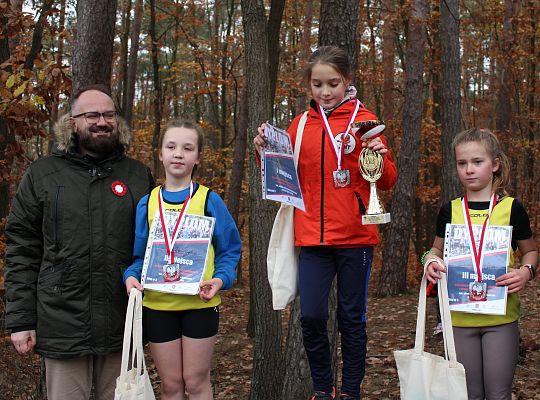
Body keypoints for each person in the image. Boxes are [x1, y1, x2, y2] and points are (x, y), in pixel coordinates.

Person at [254, 46, 398, 400]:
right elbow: (284, 178)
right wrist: (265, 153)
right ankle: (322, 388)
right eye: (318, 84)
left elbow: (388, 179)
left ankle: (350, 391)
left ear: (347, 80)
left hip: (355, 236)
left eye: (333, 83)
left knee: (351, 318)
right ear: (309, 85)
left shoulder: (366, 120)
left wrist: (381, 157)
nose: (325, 91)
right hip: (312, 238)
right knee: (312, 316)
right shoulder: (300, 125)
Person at [5, 84, 155, 400]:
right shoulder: (43, 174)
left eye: (109, 114)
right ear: (73, 122)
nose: (102, 121)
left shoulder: (138, 176)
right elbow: (22, 248)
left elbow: (155, 247)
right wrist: (20, 320)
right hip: (62, 321)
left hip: (122, 323)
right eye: (92, 115)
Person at [123, 119, 241, 400]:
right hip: (158, 305)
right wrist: (131, 276)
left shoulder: (209, 200)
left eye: (187, 148)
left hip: (199, 304)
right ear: (160, 154)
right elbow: (139, 256)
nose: (178, 153)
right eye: (171, 146)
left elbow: (230, 250)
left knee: (196, 382)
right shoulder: (147, 203)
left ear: (197, 157)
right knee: (172, 385)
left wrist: (221, 279)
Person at [424, 128, 537, 400]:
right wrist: (428, 260)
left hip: (501, 318)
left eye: (478, 162)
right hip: (459, 319)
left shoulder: (512, 209)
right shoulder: (449, 210)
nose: (469, 170)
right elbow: (434, 249)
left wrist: (526, 272)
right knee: (468, 394)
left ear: (495, 164)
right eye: (462, 163)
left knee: (498, 394)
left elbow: (530, 252)